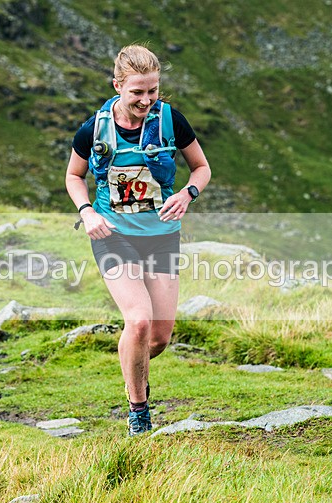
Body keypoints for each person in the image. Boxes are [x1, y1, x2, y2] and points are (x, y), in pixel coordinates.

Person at [65, 44, 211, 436]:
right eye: (137, 92)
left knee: (159, 337)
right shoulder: (94, 129)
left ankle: (133, 367)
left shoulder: (171, 121)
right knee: (139, 320)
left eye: (153, 91)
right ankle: (139, 412)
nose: (146, 100)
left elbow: (200, 168)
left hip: (162, 238)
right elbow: (73, 177)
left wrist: (187, 194)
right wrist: (87, 212)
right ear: (118, 86)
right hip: (113, 235)